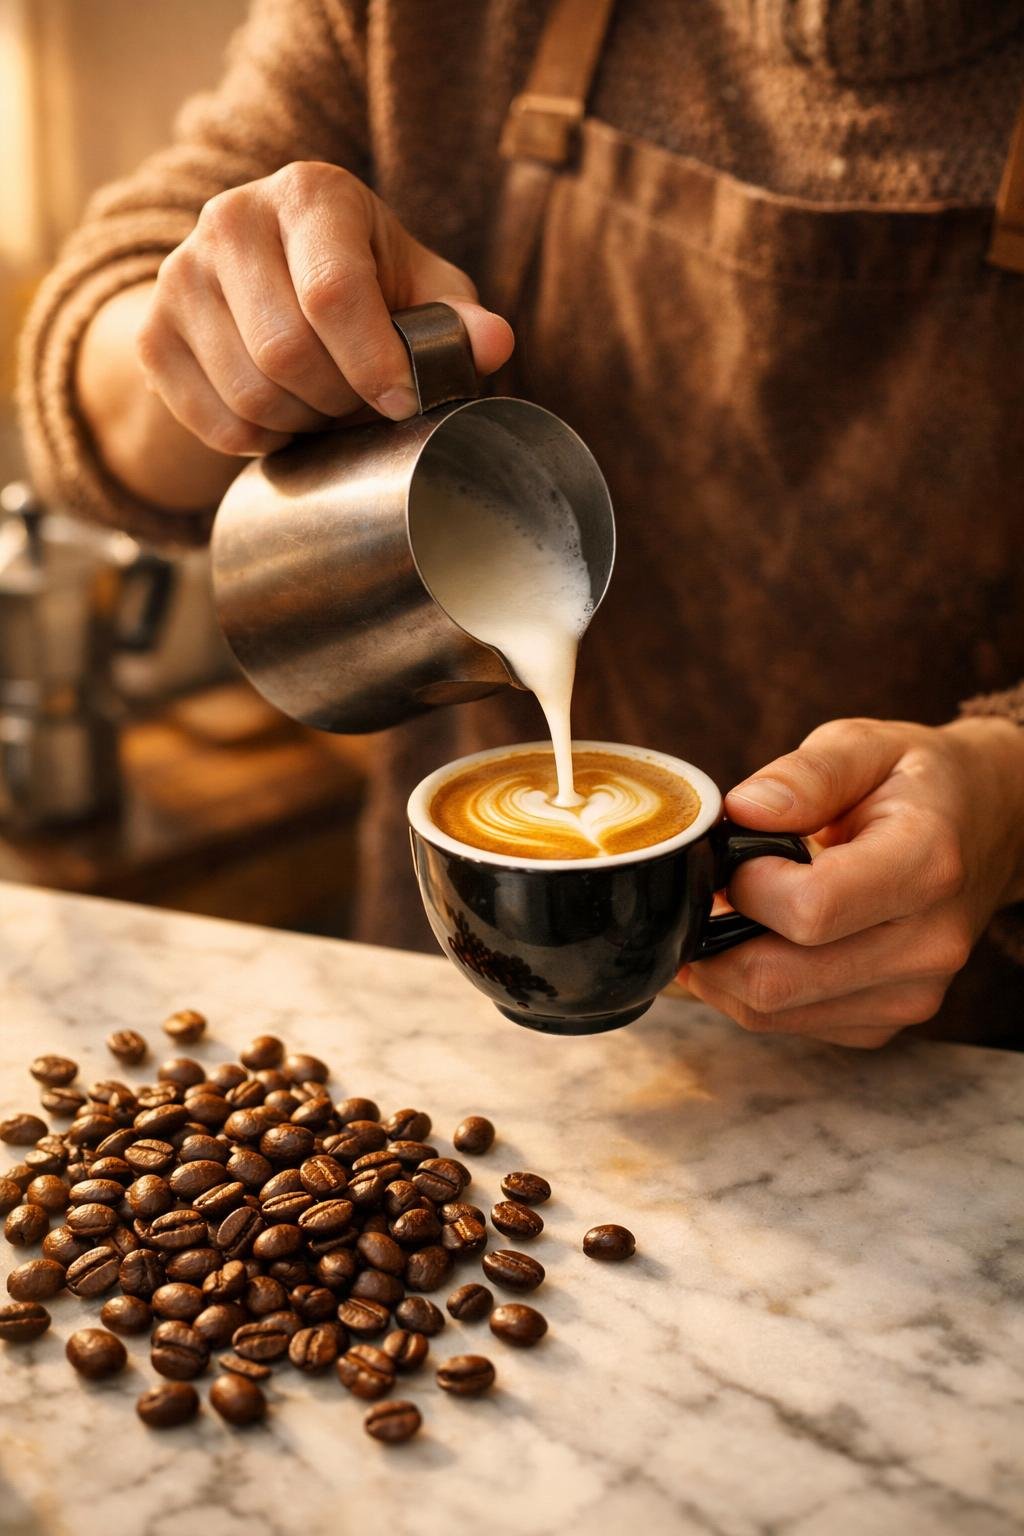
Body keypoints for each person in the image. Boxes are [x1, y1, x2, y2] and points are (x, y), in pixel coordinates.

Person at [19, 0, 1024, 1048]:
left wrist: (1010, 792)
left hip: (967, 1080)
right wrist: (219, 341)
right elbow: (97, 349)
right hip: (452, 1033)